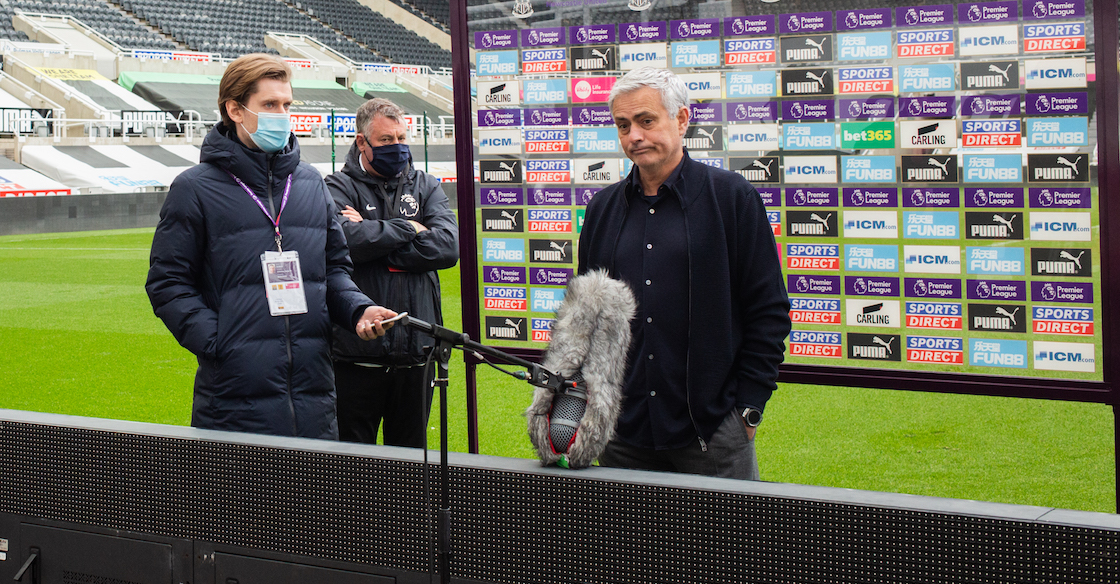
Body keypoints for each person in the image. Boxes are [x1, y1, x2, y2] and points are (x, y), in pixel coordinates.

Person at [146, 54, 397, 440]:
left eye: (286, 105)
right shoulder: (194, 189)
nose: (282, 114)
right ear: (235, 109)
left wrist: (358, 309)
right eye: (269, 105)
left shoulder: (310, 183)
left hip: (315, 394)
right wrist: (221, 343)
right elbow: (167, 284)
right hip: (233, 399)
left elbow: (333, 270)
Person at [577, 67, 791, 479]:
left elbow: (769, 311)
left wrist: (747, 410)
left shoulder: (732, 198)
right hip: (622, 434)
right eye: (623, 126)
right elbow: (586, 318)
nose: (634, 136)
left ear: (682, 119)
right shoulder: (602, 208)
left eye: (646, 121)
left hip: (712, 434)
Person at [325, 98, 459, 446]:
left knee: (414, 465)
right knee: (353, 467)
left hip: (417, 352)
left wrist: (376, 239)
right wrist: (410, 228)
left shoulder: (426, 185)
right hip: (356, 355)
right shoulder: (336, 186)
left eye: (401, 138)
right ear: (362, 142)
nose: (397, 146)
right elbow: (344, 242)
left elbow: (447, 247)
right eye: (386, 140)